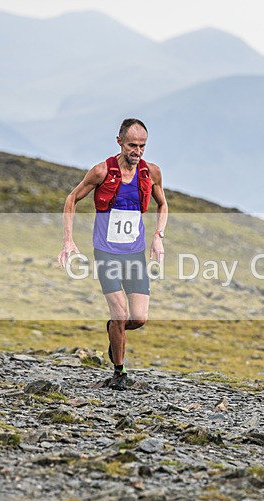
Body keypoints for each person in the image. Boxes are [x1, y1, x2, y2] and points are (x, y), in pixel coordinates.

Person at [58, 118, 168, 390]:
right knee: (120, 313)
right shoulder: (101, 171)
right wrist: (68, 240)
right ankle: (119, 372)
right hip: (106, 253)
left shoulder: (151, 172)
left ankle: (113, 330)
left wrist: (158, 237)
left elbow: (162, 204)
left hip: (135, 254)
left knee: (138, 318)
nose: (138, 151)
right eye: (132, 145)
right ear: (119, 142)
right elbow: (71, 199)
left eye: (142, 146)